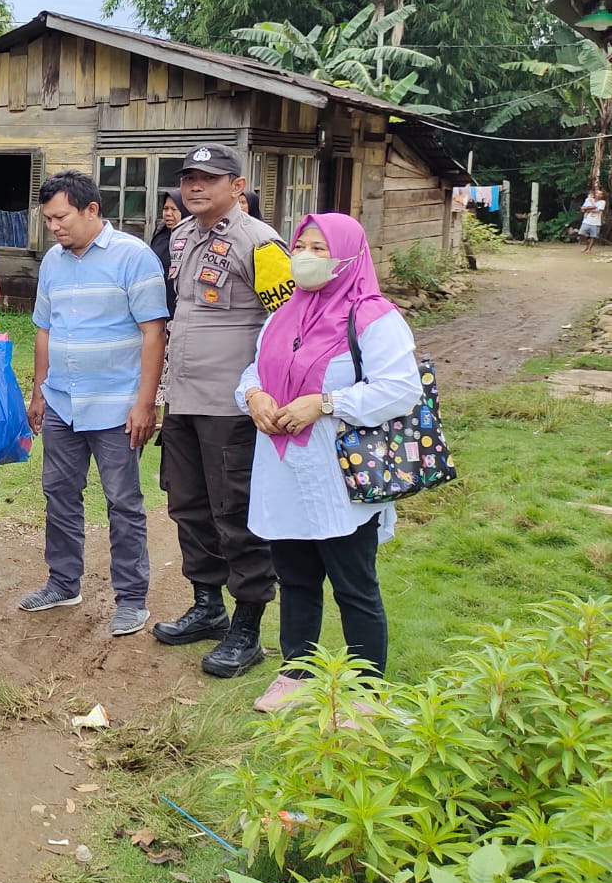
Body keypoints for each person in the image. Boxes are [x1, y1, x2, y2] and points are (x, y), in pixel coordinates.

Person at [238, 213, 421, 712]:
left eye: (321, 249)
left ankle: (365, 689)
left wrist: (325, 403)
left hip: (340, 474)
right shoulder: (283, 313)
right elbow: (257, 367)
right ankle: (297, 672)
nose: (307, 257)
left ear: (349, 257)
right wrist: (253, 395)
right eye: (303, 246)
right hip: (282, 470)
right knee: (295, 579)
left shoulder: (373, 317)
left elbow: (401, 389)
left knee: (353, 584)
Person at [153, 143, 288, 679]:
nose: (195, 186)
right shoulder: (181, 236)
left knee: (236, 514)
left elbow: (286, 328)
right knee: (188, 506)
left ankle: (247, 627)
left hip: (232, 406)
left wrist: (269, 396)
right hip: (183, 400)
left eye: (209, 177)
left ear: (237, 185)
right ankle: (207, 606)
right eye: (188, 177)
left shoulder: (262, 243)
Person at [20, 171, 168, 634]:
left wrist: (146, 402)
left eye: (61, 217)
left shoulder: (134, 258)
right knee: (59, 494)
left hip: (116, 406)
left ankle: (131, 598)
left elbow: (153, 333)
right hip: (63, 401)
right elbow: (44, 329)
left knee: (122, 501)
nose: (54, 227)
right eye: (48, 219)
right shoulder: (53, 264)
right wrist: (39, 390)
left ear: (91, 210)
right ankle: (64, 582)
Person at [149, 192, 187, 319]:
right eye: (165, 209)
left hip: (179, 306)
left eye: (174, 209)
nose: (168, 213)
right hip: (157, 302)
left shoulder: (192, 238)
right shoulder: (160, 234)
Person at [581, 182, 605, 253]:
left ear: (602, 196)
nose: (598, 195)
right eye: (597, 193)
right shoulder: (589, 200)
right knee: (582, 233)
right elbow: (582, 208)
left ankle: (589, 249)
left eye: (600, 194)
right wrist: (589, 208)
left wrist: (588, 209)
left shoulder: (602, 202)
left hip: (595, 222)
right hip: (587, 220)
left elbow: (598, 210)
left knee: (593, 236)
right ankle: (587, 246)